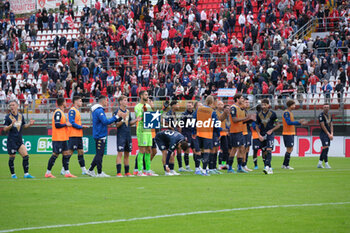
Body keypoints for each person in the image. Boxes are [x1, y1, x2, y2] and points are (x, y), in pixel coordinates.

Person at [86, 96, 119, 177]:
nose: (107, 102)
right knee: (99, 155)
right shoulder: (99, 110)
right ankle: (99, 173)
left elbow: (103, 122)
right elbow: (105, 121)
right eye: (106, 101)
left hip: (98, 134)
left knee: (98, 154)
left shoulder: (97, 110)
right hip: (100, 134)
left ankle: (90, 170)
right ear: (103, 101)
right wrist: (116, 117)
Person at [193, 96, 225, 176]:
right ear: (213, 102)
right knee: (207, 152)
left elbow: (193, 120)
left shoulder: (199, 109)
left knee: (199, 151)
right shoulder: (212, 112)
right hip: (207, 134)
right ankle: (204, 170)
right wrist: (218, 134)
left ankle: (197, 169)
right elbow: (216, 124)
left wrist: (194, 131)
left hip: (199, 133)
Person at [4, 100, 35, 179]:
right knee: (12, 157)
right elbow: (5, 129)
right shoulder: (7, 117)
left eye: (13, 105)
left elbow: (24, 126)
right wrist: (11, 124)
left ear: (17, 106)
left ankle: (26, 174)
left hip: (19, 140)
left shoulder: (21, 116)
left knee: (26, 156)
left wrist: (29, 124)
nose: (11, 107)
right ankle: (13, 175)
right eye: (10, 105)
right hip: (11, 141)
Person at [45, 97, 75, 178]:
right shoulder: (58, 112)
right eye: (65, 102)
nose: (66, 103)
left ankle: (67, 173)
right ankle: (48, 173)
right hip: (58, 138)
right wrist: (66, 124)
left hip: (63, 138)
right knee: (55, 155)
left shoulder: (61, 112)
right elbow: (57, 125)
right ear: (63, 103)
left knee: (66, 154)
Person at [61, 96, 89, 176]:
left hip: (79, 135)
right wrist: (81, 127)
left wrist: (81, 127)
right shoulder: (72, 111)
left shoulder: (77, 111)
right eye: (80, 101)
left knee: (81, 152)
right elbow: (72, 123)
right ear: (75, 102)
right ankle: (64, 169)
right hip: (73, 135)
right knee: (70, 152)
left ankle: (83, 170)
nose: (81, 102)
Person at [114, 95, 141, 177]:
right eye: (125, 100)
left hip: (128, 135)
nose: (127, 102)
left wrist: (136, 120)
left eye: (127, 100)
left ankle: (127, 172)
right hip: (121, 135)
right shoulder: (117, 112)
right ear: (120, 102)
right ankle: (118, 172)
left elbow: (129, 123)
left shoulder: (128, 111)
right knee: (120, 153)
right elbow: (117, 125)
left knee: (127, 154)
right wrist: (122, 119)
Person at [227, 94, 254, 173]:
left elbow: (242, 120)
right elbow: (234, 120)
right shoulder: (233, 108)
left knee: (242, 148)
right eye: (241, 98)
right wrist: (245, 118)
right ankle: (230, 167)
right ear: (237, 99)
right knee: (234, 149)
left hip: (241, 131)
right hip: (235, 131)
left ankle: (239, 167)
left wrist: (249, 119)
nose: (243, 99)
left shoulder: (241, 108)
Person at [134, 90, 158, 176]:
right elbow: (140, 118)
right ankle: (139, 171)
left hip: (149, 131)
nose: (147, 96)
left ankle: (147, 170)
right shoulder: (137, 106)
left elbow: (153, 117)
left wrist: (153, 109)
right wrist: (145, 112)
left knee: (149, 150)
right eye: (145, 95)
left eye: (147, 95)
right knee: (142, 150)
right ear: (141, 96)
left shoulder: (148, 105)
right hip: (142, 131)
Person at [256, 99, 280, 175]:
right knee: (264, 151)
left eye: (265, 105)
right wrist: (259, 135)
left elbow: (278, 125)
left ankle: (266, 166)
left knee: (269, 149)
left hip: (270, 135)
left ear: (268, 105)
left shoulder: (273, 114)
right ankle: (268, 167)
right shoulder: (259, 114)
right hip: (262, 134)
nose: (263, 106)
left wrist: (271, 130)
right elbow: (257, 125)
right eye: (262, 105)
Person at [282, 100, 307, 170]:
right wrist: (299, 122)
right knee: (289, 149)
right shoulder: (286, 113)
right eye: (294, 105)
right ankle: (286, 165)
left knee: (289, 149)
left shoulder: (290, 113)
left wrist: (299, 123)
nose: (295, 106)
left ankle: (284, 164)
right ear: (290, 105)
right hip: (287, 133)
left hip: (290, 133)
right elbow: (289, 122)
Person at [179, 101, 197, 172]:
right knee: (187, 150)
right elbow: (181, 125)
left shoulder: (195, 113)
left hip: (193, 134)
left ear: (193, 106)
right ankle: (187, 166)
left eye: (190, 105)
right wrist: (182, 136)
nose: (189, 106)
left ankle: (197, 166)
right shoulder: (184, 114)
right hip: (186, 134)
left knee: (195, 150)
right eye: (188, 105)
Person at [317, 104, 333, 169]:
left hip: (329, 134)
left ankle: (320, 163)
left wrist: (332, 133)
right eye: (325, 107)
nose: (326, 108)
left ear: (329, 108)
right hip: (323, 134)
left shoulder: (329, 115)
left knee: (325, 149)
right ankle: (326, 163)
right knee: (326, 148)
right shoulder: (321, 115)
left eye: (327, 107)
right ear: (323, 108)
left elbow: (331, 124)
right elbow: (322, 125)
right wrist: (328, 134)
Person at [242, 97, 254, 172]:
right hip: (242, 131)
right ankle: (223, 164)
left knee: (247, 148)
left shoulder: (246, 111)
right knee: (226, 150)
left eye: (248, 102)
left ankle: (244, 164)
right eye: (246, 102)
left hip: (248, 130)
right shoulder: (240, 110)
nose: (247, 104)